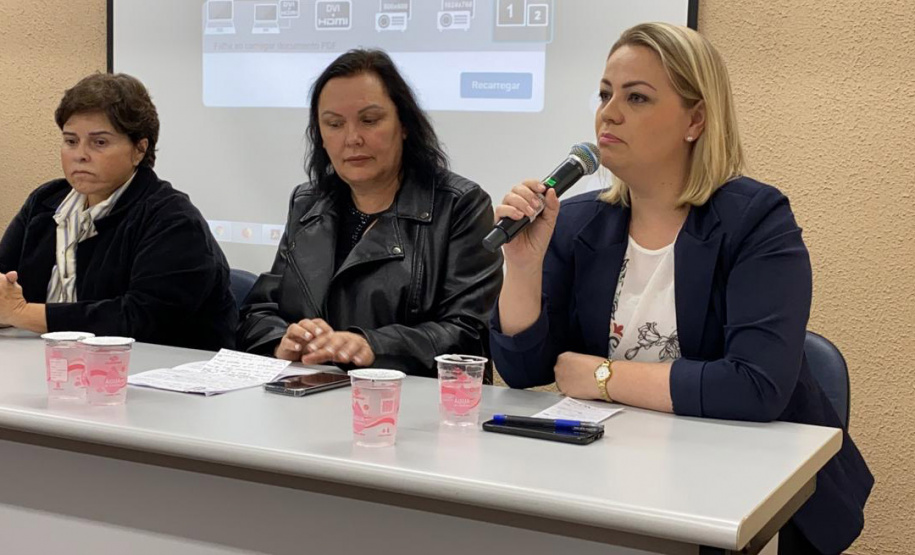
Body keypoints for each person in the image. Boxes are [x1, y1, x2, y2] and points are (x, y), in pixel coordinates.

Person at [489, 23, 872, 554]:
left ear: (695, 120)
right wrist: (523, 267)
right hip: (610, 475)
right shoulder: (578, 224)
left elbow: (756, 388)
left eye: (637, 97)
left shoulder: (756, 220)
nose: (609, 113)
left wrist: (601, 376)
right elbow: (526, 369)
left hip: (737, 482)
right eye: (604, 95)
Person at [238, 49, 503, 378]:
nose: (352, 138)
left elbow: (469, 333)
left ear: (404, 124)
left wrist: (372, 345)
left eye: (370, 120)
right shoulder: (307, 203)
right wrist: (282, 342)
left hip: (414, 409)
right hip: (310, 399)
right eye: (334, 124)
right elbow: (261, 309)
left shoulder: (460, 205)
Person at [0, 73, 237, 350]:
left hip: (160, 375)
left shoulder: (172, 219)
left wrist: (21, 313)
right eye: (70, 141)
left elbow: (140, 320)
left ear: (139, 149)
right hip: (49, 366)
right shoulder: (46, 202)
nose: (81, 154)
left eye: (99, 143)